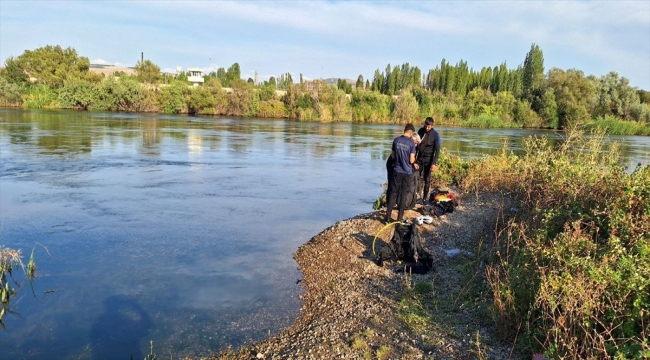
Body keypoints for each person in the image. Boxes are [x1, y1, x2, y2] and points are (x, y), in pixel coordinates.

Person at [385, 123, 419, 223]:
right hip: (407, 172)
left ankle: (387, 217)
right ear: (411, 132)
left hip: (397, 171)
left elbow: (393, 156)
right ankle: (399, 218)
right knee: (403, 194)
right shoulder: (411, 144)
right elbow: (411, 160)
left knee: (393, 193)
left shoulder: (396, 140)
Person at [416, 117, 441, 203]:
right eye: (426, 126)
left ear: (432, 126)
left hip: (428, 160)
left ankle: (424, 198)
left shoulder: (435, 134)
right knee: (416, 177)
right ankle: (416, 195)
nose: (427, 128)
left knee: (427, 179)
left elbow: (437, 150)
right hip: (419, 158)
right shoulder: (420, 131)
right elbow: (416, 146)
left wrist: (434, 163)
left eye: (429, 127)